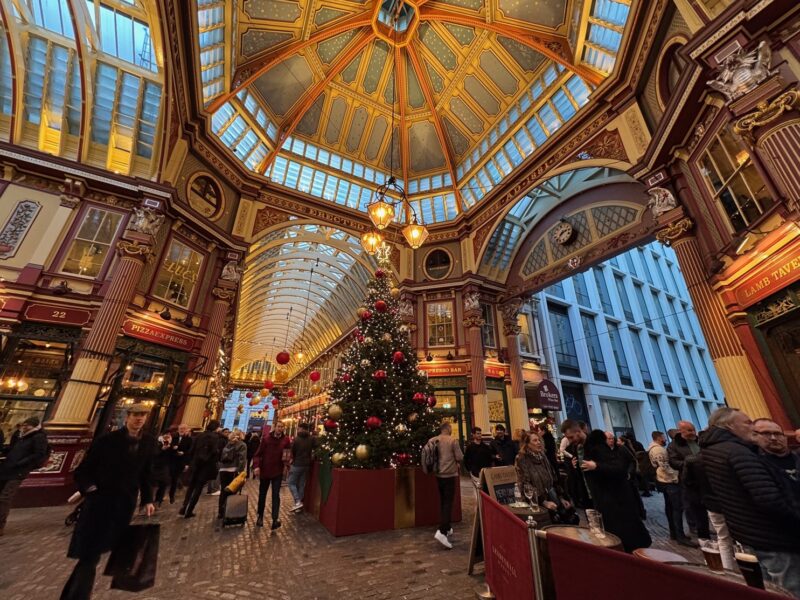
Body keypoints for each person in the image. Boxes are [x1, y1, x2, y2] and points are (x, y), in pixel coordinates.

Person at [60, 404, 156, 600]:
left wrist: (147, 499)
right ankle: (78, 596)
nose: (139, 419)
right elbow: (83, 471)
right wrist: (90, 490)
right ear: (126, 417)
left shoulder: (148, 443)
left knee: (120, 552)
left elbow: (146, 473)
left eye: (143, 416)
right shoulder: (107, 441)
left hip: (124, 505)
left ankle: (74, 594)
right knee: (90, 555)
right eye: (136, 415)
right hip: (100, 504)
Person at [701, 407, 800, 597]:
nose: (751, 428)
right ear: (730, 425)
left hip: (750, 533)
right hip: (772, 536)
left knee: (770, 588)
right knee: (790, 589)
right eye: (747, 422)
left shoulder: (715, 449)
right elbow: (768, 498)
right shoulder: (738, 452)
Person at [581, 429, 652, 553]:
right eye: (608, 438)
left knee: (625, 529)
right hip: (611, 501)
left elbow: (623, 467)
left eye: (612, 438)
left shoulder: (616, 451)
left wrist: (597, 467)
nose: (611, 440)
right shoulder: (599, 453)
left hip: (617, 500)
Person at [0, 416, 48, 536]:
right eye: (24, 424)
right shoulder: (20, 435)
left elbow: (38, 454)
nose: (24, 427)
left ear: (34, 426)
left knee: (5, 498)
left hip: (19, 471)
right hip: (6, 468)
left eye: (27, 425)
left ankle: (0, 525)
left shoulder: (39, 437)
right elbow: (12, 449)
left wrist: (21, 463)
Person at [515, 431, 574, 522]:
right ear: (526, 444)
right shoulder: (522, 458)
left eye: (539, 440)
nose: (538, 442)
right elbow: (525, 484)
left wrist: (561, 498)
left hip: (552, 497)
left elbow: (553, 478)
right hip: (536, 503)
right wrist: (543, 501)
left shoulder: (542, 455)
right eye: (535, 440)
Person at [648, 431, 692, 546]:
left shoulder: (656, 449)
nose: (664, 439)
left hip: (664, 480)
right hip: (668, 480)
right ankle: (679, 535)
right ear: (658, 438)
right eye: (663, 437)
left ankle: (675, 533)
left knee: (671, 507)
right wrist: (675, 476)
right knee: (676, 508)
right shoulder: (658, 450)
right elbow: (664, 466)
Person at [668, 420, 710, 541]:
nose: (693, 433)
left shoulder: (700, 441)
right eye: (690, 431)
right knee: (694, 508)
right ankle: (699, 532)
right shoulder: (674, 445)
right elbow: (674, 462)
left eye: (693, 430)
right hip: (690, 481)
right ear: (681, 431)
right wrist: (690, 463)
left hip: (707, 478)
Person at [428, 422, 462, 549]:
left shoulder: (433, 440)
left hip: (438, 475)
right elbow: (459, 456)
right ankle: (442, 531)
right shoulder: (453, 440)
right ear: (448, 429)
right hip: (449, 475)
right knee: (448, 503)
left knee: (443, 501)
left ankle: (447, 527)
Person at [180, 420, 223, 518]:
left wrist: (191, 462)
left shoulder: (199, 435)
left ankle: (184, 507)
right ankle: (189, 511)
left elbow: (191, 450)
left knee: (191, 487)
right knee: (198, 489)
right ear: (216, 427)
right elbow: (214, 452)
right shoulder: (215, 437)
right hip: (205, 466)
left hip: (195, 464)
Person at [252, 421, 291, 529]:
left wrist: (287, 466)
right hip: (265, 471)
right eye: (278, 426)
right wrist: (256, 466)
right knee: (262, 494)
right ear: (274, 428)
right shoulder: (266, 439)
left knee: (276, 495)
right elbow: (257, 454)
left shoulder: (286, 440)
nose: (280, 428)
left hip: (277, 472)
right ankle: (260, 515)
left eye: (282, 427)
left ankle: (275, 519)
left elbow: (287, 454)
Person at [752, 418, 799, 486]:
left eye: (777, 434)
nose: (773, 438)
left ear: (785, 437)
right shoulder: (754, 464)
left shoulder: (797, 457)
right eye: (766, 433)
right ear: (754, 436)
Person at [560, 420, 592, 509]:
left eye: (571, 437)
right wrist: (574, 466)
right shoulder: (574, 448)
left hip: (602, 494)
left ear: (578, 432)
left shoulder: (595, 444)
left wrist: (596, 465)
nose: (570, 441)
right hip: (587, 496)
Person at [217, 430, 247, 519]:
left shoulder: (228, 443)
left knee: (223, 490)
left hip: (223, 469)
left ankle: (220, 512)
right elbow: (242, 459)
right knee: (232, 490)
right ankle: (229, 511)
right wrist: (241, 472)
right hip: (233, 470)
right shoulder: (242, 444)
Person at [287, 423, 315, 512]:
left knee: (291, 482)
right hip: (307, 465)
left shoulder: (296, 439)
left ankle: (298, 501)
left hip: (297, 464)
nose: (298, 430)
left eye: (298, 428)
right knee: (301, 484)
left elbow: (293, 451)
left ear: (302, 429)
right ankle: (298, 506)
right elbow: (316, 447)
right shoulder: (311, 439)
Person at [168, 424, 193, 504]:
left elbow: (189, 451)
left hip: (181, 461)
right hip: (171, 459)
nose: (182, 430)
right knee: (167, 477)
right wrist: (173, 448)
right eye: (181, 428)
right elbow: (167, 446)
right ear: (178, 429)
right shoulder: (173, 437)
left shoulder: (189, 439)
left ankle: (171, 496)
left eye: (184, 429)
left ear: (187, 430)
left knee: (175, 479)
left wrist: (186, 462)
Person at [151, 431, 172, 507]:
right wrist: (162, 449)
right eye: (166, 435)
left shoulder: (171, 444)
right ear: (162, 435)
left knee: (163, 484)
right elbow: (153, 454)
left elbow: (173, 455)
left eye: (169, 435)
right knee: (153, 485)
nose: (167, 436)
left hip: (165, 467)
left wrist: (172, 447)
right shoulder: (156, 442)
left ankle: (157, 502)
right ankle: (147, 502)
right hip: (155, 466)